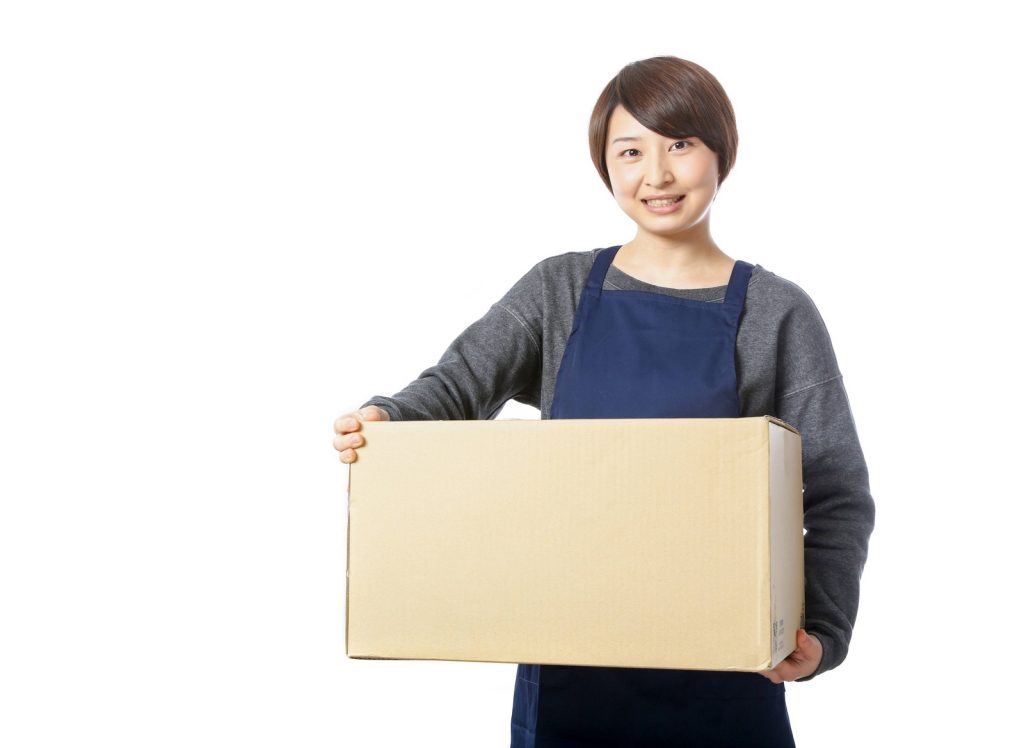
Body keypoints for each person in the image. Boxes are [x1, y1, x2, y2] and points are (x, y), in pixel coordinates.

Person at [334, 56, 874, 748]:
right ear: (605, 166)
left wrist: (822, 630)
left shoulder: (775, 312)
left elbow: (836, 490)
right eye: (631, 151)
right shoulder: (558, 290)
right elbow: (460, 385)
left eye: (680, 144)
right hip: (569, 680)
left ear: (721, 152)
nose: (658, 175)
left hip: (730, 679)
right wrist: (388, 419)